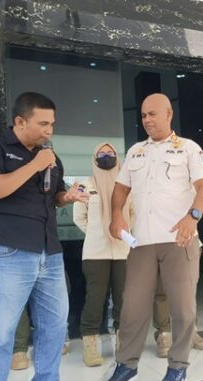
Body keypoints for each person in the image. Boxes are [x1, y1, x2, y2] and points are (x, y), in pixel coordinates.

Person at [0, 92, 88, 381]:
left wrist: (67, 197)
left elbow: (54, 195)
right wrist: (35, 165)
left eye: (53, 124)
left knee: (55, 326)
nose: (49, 130)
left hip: (50, 254)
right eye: (43, 124)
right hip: (9, 253)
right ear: (20, 121)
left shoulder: (49, 156)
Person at [103, 93, 203, 381]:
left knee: (183, 309)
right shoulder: (136, 152)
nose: (147, 120)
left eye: (152, 114)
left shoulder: (188, 147)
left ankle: (178, 367)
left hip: (179, 239)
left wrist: (193, 216)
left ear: (168, 114)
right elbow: (120, 188)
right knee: (132, 307)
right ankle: (127, 365)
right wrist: (116, 215)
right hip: (142, 242)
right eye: (143, 115)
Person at [73, 142, 130, 367]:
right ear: (94, 158)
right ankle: (90, 345)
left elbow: (133, 214)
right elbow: (79, 217)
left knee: (123, 300)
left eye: (110, 153)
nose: (106, 156)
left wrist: (124, 235)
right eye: (102, 153)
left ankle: (123, 343)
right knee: (95, 300)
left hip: (123, 251)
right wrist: (98, 232)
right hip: (95, 252)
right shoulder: (84, 185)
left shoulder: (126, 185)